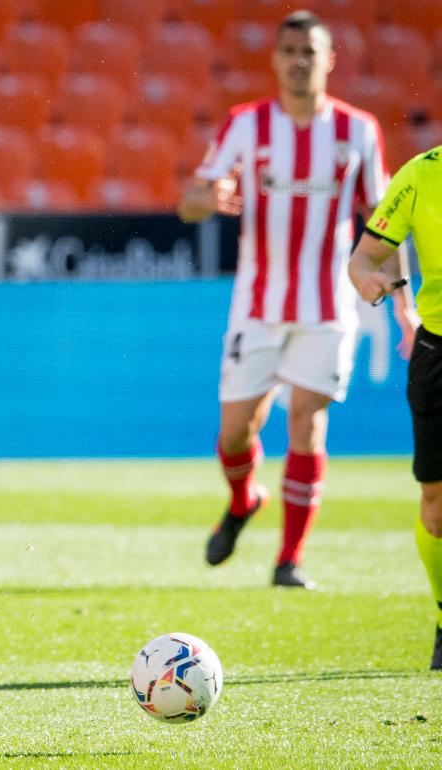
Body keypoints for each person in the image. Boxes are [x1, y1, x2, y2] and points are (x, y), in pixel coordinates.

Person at [178, 10, 416, 589]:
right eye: (289, 51)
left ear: (328, 59)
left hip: (328, 305)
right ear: (276, 60)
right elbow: (189, 200)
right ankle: (242, 501)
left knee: (308, 423)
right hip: (256, 307)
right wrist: (210, 199)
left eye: (310, 51)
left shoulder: (356, 130)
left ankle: (289, 560)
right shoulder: (246, 124)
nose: (299, 60)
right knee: (237, 431)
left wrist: (405, 305)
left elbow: (385, 220)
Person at [349, 146, 442, 669]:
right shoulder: (422, 174)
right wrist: (367, 279)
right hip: (438, 354)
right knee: (436, 510)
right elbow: (364, 256)